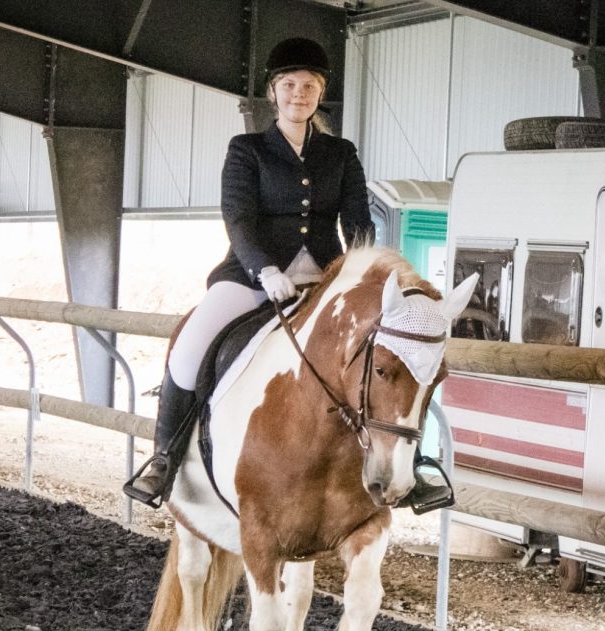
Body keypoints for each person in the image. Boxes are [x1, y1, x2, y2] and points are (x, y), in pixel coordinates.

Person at [124, 36, 451, 514]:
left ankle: (412, 465)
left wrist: (370, 279)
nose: (300, 93)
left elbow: (359, 223)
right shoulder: (247, 149)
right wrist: (264, 269)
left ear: (320, 94)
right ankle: (164, 457)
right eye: (291, 85)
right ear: (274, 92)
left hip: (326, 282)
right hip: (253, 275)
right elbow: (237, 218)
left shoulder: (341, 153)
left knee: (391, 357)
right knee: (190, 346)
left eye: (310, 86)